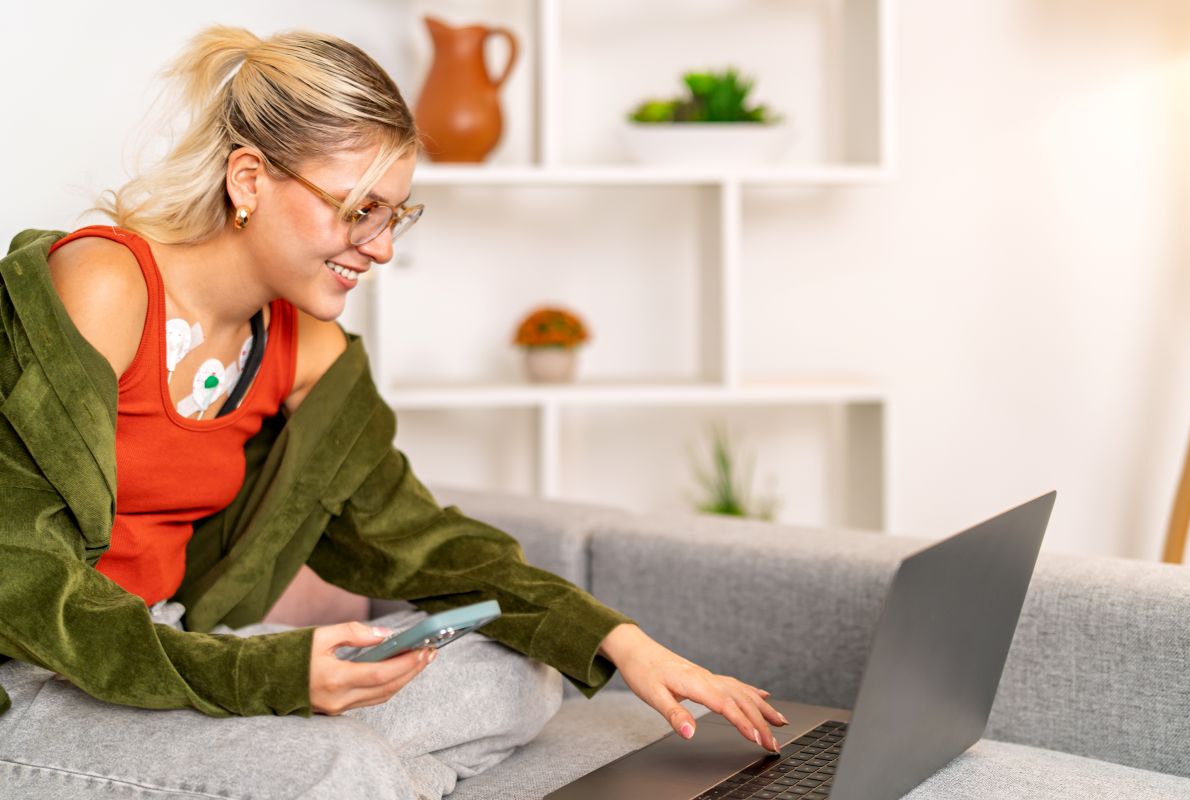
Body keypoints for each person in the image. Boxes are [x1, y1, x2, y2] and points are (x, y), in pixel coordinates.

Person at [0, 24, 786, 798]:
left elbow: (414, 539)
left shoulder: (305, 346)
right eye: (358, 209)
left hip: (171, 643)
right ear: (248, 179)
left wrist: (621, 639)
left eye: (395, 215)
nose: (379, 247)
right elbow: (21, 579)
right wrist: (261, 675)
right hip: (36, 674)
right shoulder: (104, 286)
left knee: (518, 673)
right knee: (339, 765)